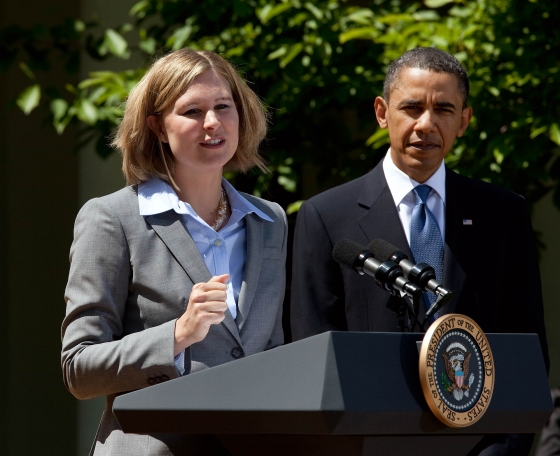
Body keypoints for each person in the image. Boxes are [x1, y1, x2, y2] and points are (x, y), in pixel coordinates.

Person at [290, 47, 548, 454]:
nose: (425, 124)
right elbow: (311, 356)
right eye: (411, 107)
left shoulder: (503, 214)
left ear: (464, 120)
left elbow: (526, 351)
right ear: (381, 112)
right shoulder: (325, 216)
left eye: (444, 109)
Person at [61, 48, 287, 455]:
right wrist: (178, 335)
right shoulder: (111, 218)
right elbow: (79, 369)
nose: (213, 123)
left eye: (223, 106)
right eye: (192, 111)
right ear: (158, 127)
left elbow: (273, 354)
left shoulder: (270, 221)